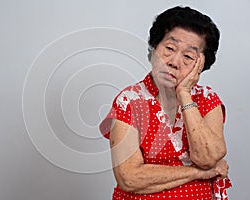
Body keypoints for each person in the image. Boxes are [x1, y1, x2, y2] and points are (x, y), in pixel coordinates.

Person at [99, 6, 232, 200]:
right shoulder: (128, 101)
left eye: (188, 57)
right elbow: (129, 177)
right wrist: (199, 173)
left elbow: (207, 158)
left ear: (201, 65)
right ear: (154, 48)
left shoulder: (207, 99)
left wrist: (185, 93)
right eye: (169, 48)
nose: (174, 61)